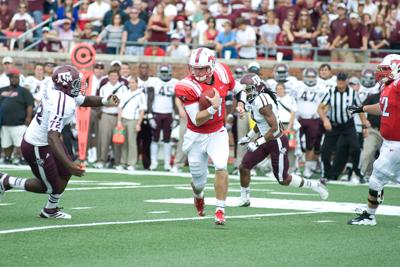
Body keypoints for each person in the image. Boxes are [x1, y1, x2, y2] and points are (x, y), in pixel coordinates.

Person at [0, 65, 120, 219]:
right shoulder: (62, 102)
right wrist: (71, 165)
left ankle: (50, 209)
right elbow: (52, 136)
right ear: (66, 84)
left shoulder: (61, 93)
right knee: (48, 186)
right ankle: (6, 180)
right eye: (76, 83)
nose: (79, 86)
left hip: (47, 141)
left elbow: (85, 100)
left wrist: (105, 100)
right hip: (37, 145)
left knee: (65, 172)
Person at [174, 47, 246, 225]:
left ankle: (220, 209)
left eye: (202, 68)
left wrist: (241, 104)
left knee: (221, 166)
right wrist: (214, 107)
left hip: (217, 132)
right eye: (194, 68)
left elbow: (239, 90)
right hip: (196, 135)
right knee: (199, 182)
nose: (197, 72)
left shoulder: (222, 71)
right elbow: (196, 120)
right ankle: (198, 196)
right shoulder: (186, 86)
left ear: (211, 66)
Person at [237, 73, 328, 207]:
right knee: (244, 166)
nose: (246, 92)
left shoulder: (262, 103)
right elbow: (261, 123)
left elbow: (276, 129)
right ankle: (245, 198)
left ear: (256, 88)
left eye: (248, 89)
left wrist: (257, 142)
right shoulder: (256, 100)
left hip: (277, 141)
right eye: (245, 89)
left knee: (283, 179)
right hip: (266, 138)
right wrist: (249, 136)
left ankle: (315, 185)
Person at [347, 54, 400, 225]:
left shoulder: (397, 84)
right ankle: (370, 213)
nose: (382, 73)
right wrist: (362, 108)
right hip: (389, 142)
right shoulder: (388, 87)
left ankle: (369, 215)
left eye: (386, 69)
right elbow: (382, 106)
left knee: (376, 177)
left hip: (397, 144)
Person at [317, 72, 368, 181]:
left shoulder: (352, 93)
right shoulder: (331, 92)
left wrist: (364, 126)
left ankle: (357, 172)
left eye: (342, 80)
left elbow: (360, 110)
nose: (340, 82)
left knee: (356, 148)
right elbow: (320, 108)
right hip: (334, 125)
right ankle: (327, 173)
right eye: (338, 80)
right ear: (336, 81)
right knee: (325, 150)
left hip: (348, 125)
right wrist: (325, 120)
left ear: (346, 81)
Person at [0, 69, 34, 165]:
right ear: (9, 79)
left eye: (16, 78)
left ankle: (22, 159)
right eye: (12, 78)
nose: (13, 80)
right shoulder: (2, 90)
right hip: (4, 123)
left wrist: (28, 117)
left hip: (19, 123)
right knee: (6, 143)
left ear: (19, 79)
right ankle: (7, 158)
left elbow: (30, 105)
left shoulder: (24, 91)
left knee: (20, 143)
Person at [148, 64, 178, 171]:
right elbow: (150, 99)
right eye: (163, 72)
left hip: (168, 114)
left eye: (166, 73)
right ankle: (154, 162)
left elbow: (176, 101)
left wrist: (177, 116)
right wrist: (150, 115)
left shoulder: (175, 82)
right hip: (156, 113)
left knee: (167, 139)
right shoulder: (154, 81)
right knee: (154, 139)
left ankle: (167, 163)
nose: (164, 75)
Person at [117, 77, 146, 171]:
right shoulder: (125, 93)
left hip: (133, 120)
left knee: (132, 142)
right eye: (130, 82)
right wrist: (119, 121)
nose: (131, 84)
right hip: (124, 119)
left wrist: (139, 123)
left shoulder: (141, 94)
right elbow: (120, 108)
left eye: (133, 82)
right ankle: (123, 162)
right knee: (123, 142)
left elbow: (142, 110)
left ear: (137, 83)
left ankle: (132, 163)